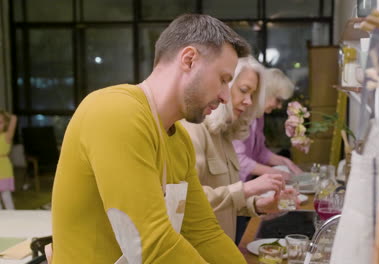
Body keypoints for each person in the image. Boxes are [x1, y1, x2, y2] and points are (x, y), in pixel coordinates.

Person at [52, 14, 251, 263]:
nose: (225, 96)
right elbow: (152, 244)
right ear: (189, 60)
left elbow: (203, 233)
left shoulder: (179, 141)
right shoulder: (115, 111)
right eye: (223, 79)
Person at [182, 56, 289, 243]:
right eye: (244, 91)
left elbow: (224, 200)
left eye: (252, 95)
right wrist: (247, 189)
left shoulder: (225, 135)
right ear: (222, 86)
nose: (248, 101)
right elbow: (189, 202)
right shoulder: (193, 130)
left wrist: (259, 205)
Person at [233, 68, 303, 183]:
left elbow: (259, 152)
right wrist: (276, 173)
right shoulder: (239, 113)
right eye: (278, 100)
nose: (279, 106)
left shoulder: (259, 116)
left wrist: (285, 162)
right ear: (266, 92)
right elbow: (238, 160)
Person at [0, 110, 17, 209]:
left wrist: (6, 115)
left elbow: (14, 118)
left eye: (0, 122)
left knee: (6, 195)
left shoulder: (7, 136)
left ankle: (12, 217)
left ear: (5, 123)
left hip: (4, 168)